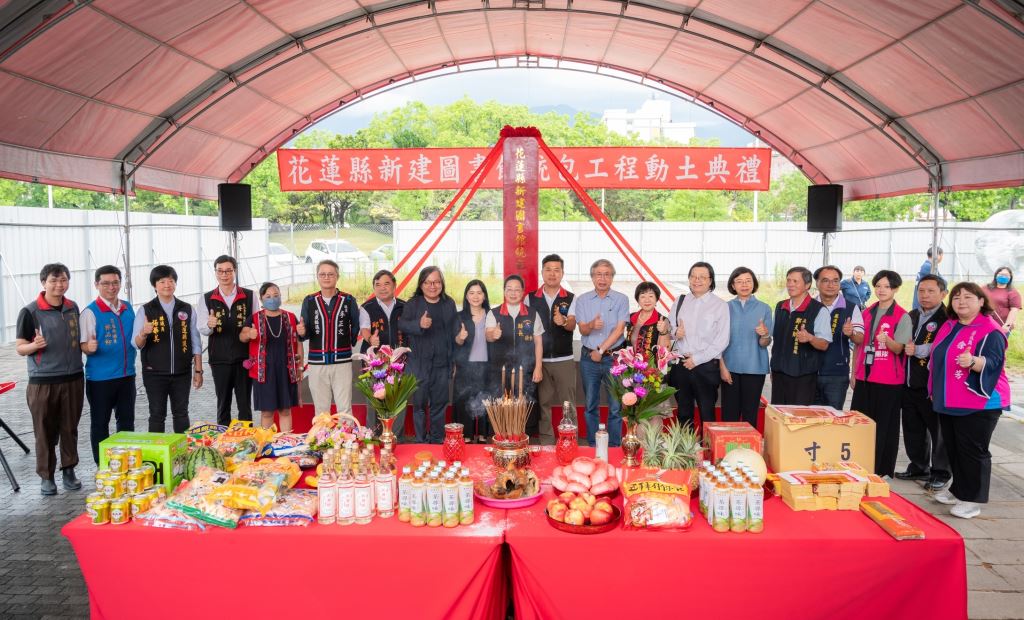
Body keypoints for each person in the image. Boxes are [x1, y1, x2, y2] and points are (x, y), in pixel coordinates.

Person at [929, 282, 1011, 519]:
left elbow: (995, 362)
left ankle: (972, 500)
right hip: (949, 399)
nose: (961, 301)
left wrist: (976, 362)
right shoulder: (950, 325)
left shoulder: (990, 329)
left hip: (980, 402)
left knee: (973, 451)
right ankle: (959, 490)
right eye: (956, 297)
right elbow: (938, 358)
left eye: (968, 297)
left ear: (981, 301)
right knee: (953, 448)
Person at [15, 263, 85, 495]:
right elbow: (20, 348)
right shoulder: (30, 312)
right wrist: (34, 345)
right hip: (43, 381)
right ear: (44, 282)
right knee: (44, 431)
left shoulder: (72, 307)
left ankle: (69, 470)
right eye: (54, 281)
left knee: (69, 428)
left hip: (73, 378)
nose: (59, 285)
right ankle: (46, 476)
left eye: (63, 280)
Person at [851, 270, 912, 478]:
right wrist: (854, 373)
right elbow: (858, 346)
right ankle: (859, 465)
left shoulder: (902, 316)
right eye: (878, 286)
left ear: (895, 289)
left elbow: (899, 349)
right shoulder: (867, 312)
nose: (881, 290)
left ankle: (883, 470)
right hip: (864, 377)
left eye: (886, 286)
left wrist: (887, 340)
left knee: (886, 427)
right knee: (860, 424)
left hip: (888, 380)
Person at [132, 265, 203, 433]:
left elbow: (195, 341)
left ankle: (182, 454)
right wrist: (143, 332)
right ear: (154, 285)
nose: (167, 285)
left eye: (171, 281)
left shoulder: (186, 308)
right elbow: (136, 344)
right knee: (157, 414)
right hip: (154, 373)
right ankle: (158, 458)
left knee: (181, 413)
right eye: (162, 281)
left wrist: (198, 370)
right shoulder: (146, 310)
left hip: (182, 372)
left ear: (175, 284)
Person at [898, 274, 950, 491]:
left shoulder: (947, 318)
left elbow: (942, 347)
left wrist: (918, 350)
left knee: (938, 431)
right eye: (921, 291)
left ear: (943, 293)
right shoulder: (911, 315)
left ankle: (941, 472)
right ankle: (918, 466)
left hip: (931, 386)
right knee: (912, 428)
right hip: (909, 382)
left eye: (931, 291)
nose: (925, 295)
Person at [79, 265, 136, 463]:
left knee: (127, 422)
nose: (111, 287)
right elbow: (83, 345)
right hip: (100, 379)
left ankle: (127, 461)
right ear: (97, 285)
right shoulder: (90, 312)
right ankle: (102, 464)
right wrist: (89, 347)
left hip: (127, 375)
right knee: (100, 423)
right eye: (105, 283)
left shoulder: (127, 307)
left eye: (115, 283)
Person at [398, 266, 458, 444]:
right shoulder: (413, 304)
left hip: (442, 364)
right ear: (421, 284)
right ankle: (420, 441)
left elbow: (454, 333)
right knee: (419, 406)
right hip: (418, 365)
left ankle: (437, 440)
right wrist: (419, 324)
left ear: (442, 283)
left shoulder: (449, 303)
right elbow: (402, 325)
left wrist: (453, 361)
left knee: (439, 405)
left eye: (437, 282)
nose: (433, 286)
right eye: (428, 282)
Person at [573, 259, 629, 447]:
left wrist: (601, 349)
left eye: (607, 274)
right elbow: (582, 330)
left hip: (614, 359)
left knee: (615, 406)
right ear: (592, 277)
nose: (602, 278)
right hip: (589, 359)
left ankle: (613, 446)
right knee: (590, 405)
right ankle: (592, 445)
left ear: (612, 277)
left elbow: (620, 330)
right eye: (598, 274)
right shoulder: (582, 300)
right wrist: (591, 325)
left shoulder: (622, 299)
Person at [667, 262, 729, 430]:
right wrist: (675, 332)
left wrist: (697, 359)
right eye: (693, 276)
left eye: (702, 277)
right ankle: (684, 453)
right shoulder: (680, 301)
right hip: (681, 364)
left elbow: (722, 340)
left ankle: (709, 453)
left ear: (710, 281)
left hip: (706, 366)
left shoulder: (720, 305)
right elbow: (669, 329)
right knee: (683, 412)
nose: (697, 280)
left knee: (707, 412)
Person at [197, 255, 255, 426]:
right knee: (223, 404)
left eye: (228, 270)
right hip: (219, 360)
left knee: (244, 405)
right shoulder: (207, 298)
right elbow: (201, 328)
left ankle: (247, 443)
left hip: (244, 360)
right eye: (220, 271)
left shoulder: (250, 296)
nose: (224, 275)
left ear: (234, 271)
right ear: (215, 273)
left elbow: (256, 322)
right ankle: (223, 443)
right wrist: (209, 324)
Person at [297, 260, 359, 418]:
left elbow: (356, 325)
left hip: (342, 361)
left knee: (344, 408)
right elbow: (305, 332)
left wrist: (349, 342)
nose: (326, 277)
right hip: (317, 363)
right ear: (317, 277)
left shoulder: (348, 300)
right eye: (322, 274)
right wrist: (302, 332)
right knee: (321, 410)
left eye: (330, 274)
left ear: (337, 276)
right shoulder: (309, 301)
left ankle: (346, 442)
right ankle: (322, 441)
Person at [486, 275, 545, 439]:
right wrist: (493, 334)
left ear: (523, 292)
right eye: (509, 289)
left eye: (517, 289)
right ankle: (501, 441)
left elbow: (538, 342)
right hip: (500, 370)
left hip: (525, 370)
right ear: (504, 291)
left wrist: (538, 367)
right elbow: (488, 335)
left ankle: (524, 442)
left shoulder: (532, 314)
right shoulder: (494, 313)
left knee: (525, 407)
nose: (513, 293)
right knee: (500, 406)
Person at [240, 283, 303, 432]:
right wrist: (249, 334)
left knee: (285, 410)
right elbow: (242, 336)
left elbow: (299, 343)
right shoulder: (254, 318)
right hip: (264, 372)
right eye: (268, 296)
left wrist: (300, 368)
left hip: (286, 371)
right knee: (267, 412)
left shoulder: (290, 317)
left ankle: (286, 444)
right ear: (261, 299)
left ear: (281, 296)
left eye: (276, 295)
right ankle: (266, 445)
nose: (272, 299)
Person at [529, 254, 577, 445]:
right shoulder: (530, 298)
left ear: (562, 273)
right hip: (540, 362)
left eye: (557, 270)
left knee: (569, 405)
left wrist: (563, 321)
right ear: (542, 272)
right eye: (548, 269)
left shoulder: (571, 297)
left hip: (564, 359)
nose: (552, 274)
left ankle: (570, 441)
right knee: (543, 404)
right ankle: (547, 443)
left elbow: (573, 324)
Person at [770, 267, 831, 406]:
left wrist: (810, 338)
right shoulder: (781, 307)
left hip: (802, 375)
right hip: (779, 372)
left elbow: (824, 344)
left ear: (807, 285)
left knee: (798, 418)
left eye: (795, 281)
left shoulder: (819, 310)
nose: (790, 284)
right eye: (789, 280)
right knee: (778, 416)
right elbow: (776, 341)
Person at [720, 268, 773, 427]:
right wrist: (722, 367)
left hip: (755, 368)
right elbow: (719, 341)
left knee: (750, 414)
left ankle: (749, 450)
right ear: (733, 285)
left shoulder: (764, 308)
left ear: (754, 283)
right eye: (739, 281)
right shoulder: (725, 307)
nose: (744, 285)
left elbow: (765, 343)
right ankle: (728, 449)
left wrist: (764, 334)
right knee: (729, 413)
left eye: (748, 280)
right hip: (729, 367)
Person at [358, 269, 406, 431]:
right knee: (374, 400)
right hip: (375, 362)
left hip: (398, 362)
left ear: (394, 286)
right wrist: (370, 339)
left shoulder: (404, 306)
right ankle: (372, 435)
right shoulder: (367, 307)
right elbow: (364, 328)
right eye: (377, 285)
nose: (382, 288)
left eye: (386, 284)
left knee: (398, 400)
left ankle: (395, 436)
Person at [814, 265, 864, 411]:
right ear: (817, 283)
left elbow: (860, 339)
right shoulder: (809, 306)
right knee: (809, 420)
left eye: (835, 281)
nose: (831, 285)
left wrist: (851, 333)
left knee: (833, 419)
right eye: (825, 280)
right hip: (808, 373)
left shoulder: (851, 307)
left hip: (836, 375)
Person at [453, 280, 493, 443]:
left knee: (485, 400)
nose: (475, 296)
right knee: (465, 400)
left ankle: (484, 434)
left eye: (479, 292)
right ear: (466, 296)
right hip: (465, 366)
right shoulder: (459, 316)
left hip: (487, 366)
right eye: (472, 293)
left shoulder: (492, 315)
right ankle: (467, 435)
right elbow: (455, 342)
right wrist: (460, 338)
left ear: (484, 296)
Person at [626, 282, 671, 354]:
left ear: (656, 299)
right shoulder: (630, 317)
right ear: (637, 300)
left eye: (651, 296)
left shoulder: (663, 320)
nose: (647, 300)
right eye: (643, 296)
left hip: (651, 364)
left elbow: (665, 353)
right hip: (630, 363)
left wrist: (663, 332)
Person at [985, 266, 1020, 335]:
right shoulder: (986, 288)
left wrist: (1007, 325)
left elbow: (1014, 310)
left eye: (1006, 275)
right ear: (996, 275)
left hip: (1001, 327)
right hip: (984, 324)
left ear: (1010, 278)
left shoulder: (1013, 292)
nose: (1003, 276)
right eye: (1001, 274)